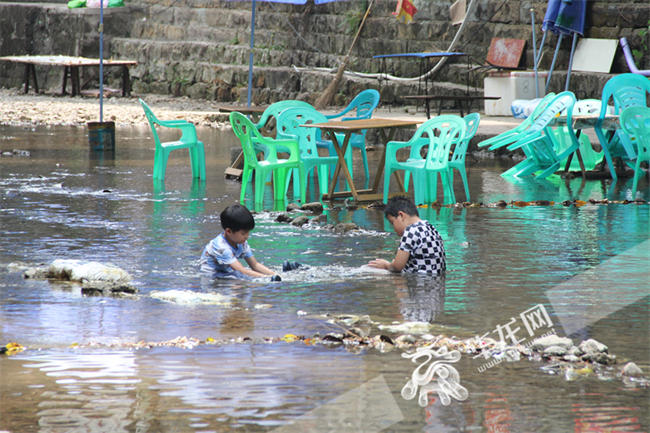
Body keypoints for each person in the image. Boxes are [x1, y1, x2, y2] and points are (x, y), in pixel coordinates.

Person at [200, 204, 282, 281]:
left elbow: (255, 265)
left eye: (248, 232)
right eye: (243, 233)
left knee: (239, 275)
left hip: (224, 272)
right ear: (228, 231)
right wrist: (267, 278)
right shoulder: (221, 248)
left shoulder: (241, 242)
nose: (247, 236)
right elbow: (241, 271)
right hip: (211, 277)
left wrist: (275, 274)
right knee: (238, 275)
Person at [367, 196, 446, 275]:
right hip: (437, 282)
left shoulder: (410, 231)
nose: (394, 229)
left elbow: (397, 267)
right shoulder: (431, 228)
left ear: (401, 215)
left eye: (392, 223)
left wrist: (386, 265)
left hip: (419, 282)